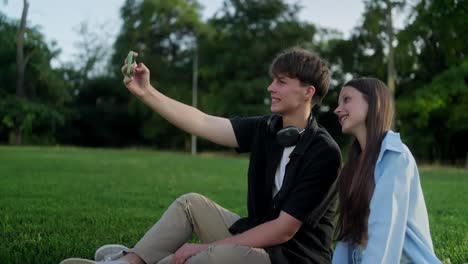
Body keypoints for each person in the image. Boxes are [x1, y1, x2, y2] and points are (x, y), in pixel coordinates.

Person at [60, 47, 341, 264]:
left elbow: (283, 231)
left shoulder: (324, 152)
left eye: (281, 82)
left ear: (308, 92)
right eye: (273, 81)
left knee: (217, 257)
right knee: (191, 204)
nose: (271, 88)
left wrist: (207, 246)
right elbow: (203, 122)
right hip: (258, 239)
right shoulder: (267, 128)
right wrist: (147, 92)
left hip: (290, 258)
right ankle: (129, 261)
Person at [332, 78, 441, 263]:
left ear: (374, 102)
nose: (337, 109)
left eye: (347, 99)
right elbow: (347, 237)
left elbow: (385, 229)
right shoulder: (353, 164)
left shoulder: (396, 156)